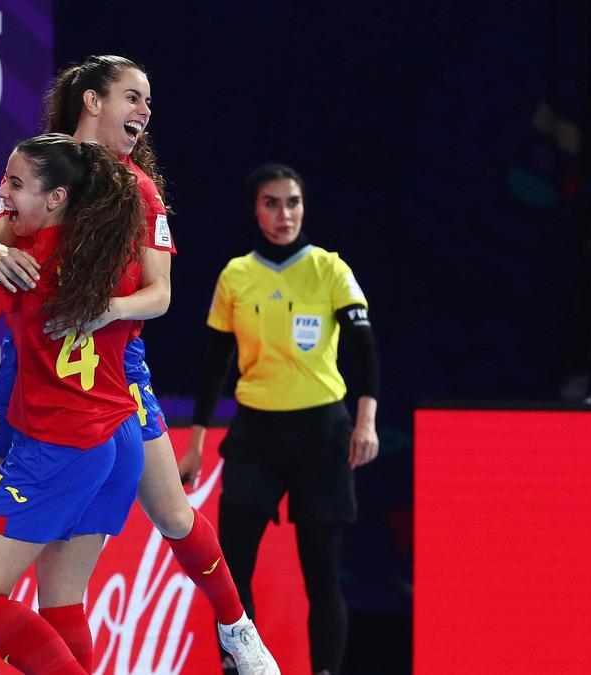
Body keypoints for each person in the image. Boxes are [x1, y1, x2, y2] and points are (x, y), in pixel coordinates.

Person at [0, 56, 277, 675]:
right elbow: (1, 237)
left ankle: (236, 626)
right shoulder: (40, 166)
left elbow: (161, 293)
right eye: (133, 98)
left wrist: (97, 310)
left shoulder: (136, 188)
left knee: (168, 513)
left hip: (110, 369)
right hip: (26, 360)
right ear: (92, 101)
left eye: (148, 102)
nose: (145, 112)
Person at [0, 133, 149, 675]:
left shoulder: (27, 265)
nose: (2, 192)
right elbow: (154, 299)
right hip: (115, 438)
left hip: (58, 447)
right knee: (63, 602)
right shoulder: (106, 248)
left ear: (56, 199)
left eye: (16, 183)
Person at [179, 164, 380, 675]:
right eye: (272, 203)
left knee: (322, 573)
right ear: (256, 210)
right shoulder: (236, 275)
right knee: (230, 571)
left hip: (322, 434)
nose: (284, 214)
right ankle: (239, 669)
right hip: (255, 435)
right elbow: (215, 366)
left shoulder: (330, 269)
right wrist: (196, 442)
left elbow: (365, 351)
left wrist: (366, 422)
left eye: (292, 202)